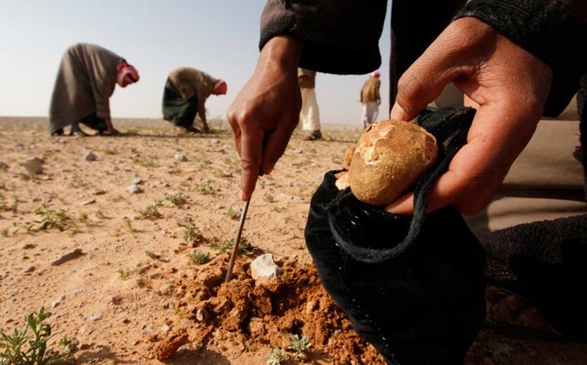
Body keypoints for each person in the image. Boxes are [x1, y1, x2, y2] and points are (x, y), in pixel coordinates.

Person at [227, 0, 587, 363]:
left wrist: (530, 18)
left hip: (556, 67)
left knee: (543, 277)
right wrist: (281, 46)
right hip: (442, 46)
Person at [49, 43, 139, 137]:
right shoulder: (106, 73)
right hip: (76, 58)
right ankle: (74, 128)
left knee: (100, 122)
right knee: (77, 91)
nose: (128, 85)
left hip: (86, 66)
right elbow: (102, 99)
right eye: (128, 82)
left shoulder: (116, 66)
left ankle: (101, 126)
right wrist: (111, 129)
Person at [162, 67, 227, 135]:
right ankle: (183, 127)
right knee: (192, 101)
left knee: (191, 100)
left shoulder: (207, 81)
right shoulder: (206, 85)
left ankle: (185, 125)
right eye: (218, 93)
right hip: (179, 77)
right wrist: (205, 124)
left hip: (176, 76)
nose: (216, 95)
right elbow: (200, 105)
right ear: (216, 87)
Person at [298, 67, 323, 140]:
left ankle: (316, 131)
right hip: (305, 79)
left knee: (309, 105)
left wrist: (302, 76)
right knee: (308, 104)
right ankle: (316, 131)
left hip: (303, 79)